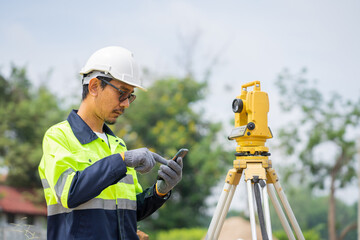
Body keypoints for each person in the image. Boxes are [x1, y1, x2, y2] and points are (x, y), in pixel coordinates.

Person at [38, 46, 183, 240]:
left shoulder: (117, 145)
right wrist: (121, 161)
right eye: (122, 93)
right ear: (94, 86)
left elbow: (131, 211)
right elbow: (69, 193)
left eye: (130, 95)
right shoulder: (59, 136)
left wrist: (160, 191)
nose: (126, 104)